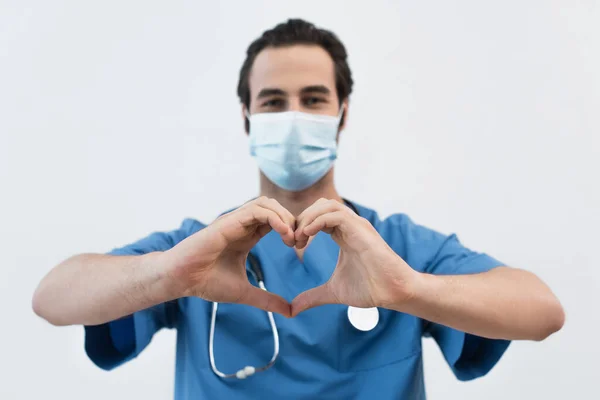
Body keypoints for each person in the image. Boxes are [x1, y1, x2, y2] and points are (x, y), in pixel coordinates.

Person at [33, 19, 564, 399]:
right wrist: (168, 274)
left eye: (313, 100)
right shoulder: (200, 249)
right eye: (272, 102)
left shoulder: (396, 247)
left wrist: (406, 289)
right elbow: (52, 298)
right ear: (246, 116)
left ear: (342, 113)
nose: (293, 117)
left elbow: (542, 311)